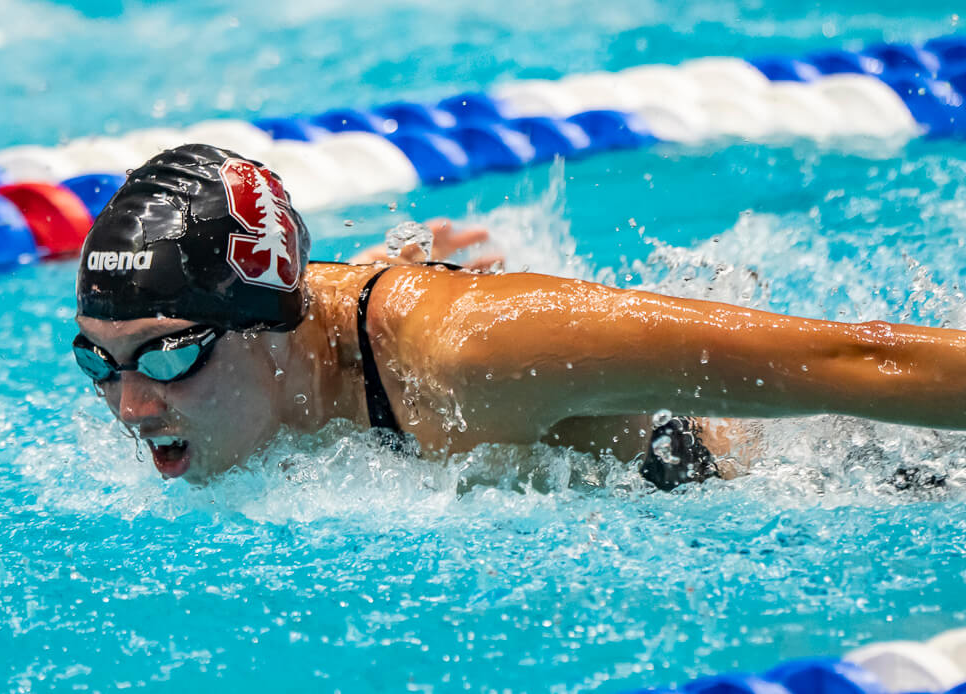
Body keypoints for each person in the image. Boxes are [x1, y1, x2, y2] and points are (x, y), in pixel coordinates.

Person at [73, 144, 966, 488]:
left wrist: (444, 299)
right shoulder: (279, 348)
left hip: (864, 472)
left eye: (167, 357)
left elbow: (852, 359)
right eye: (98, 363)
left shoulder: (475, 355)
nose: (131, 408)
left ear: (262, 325)